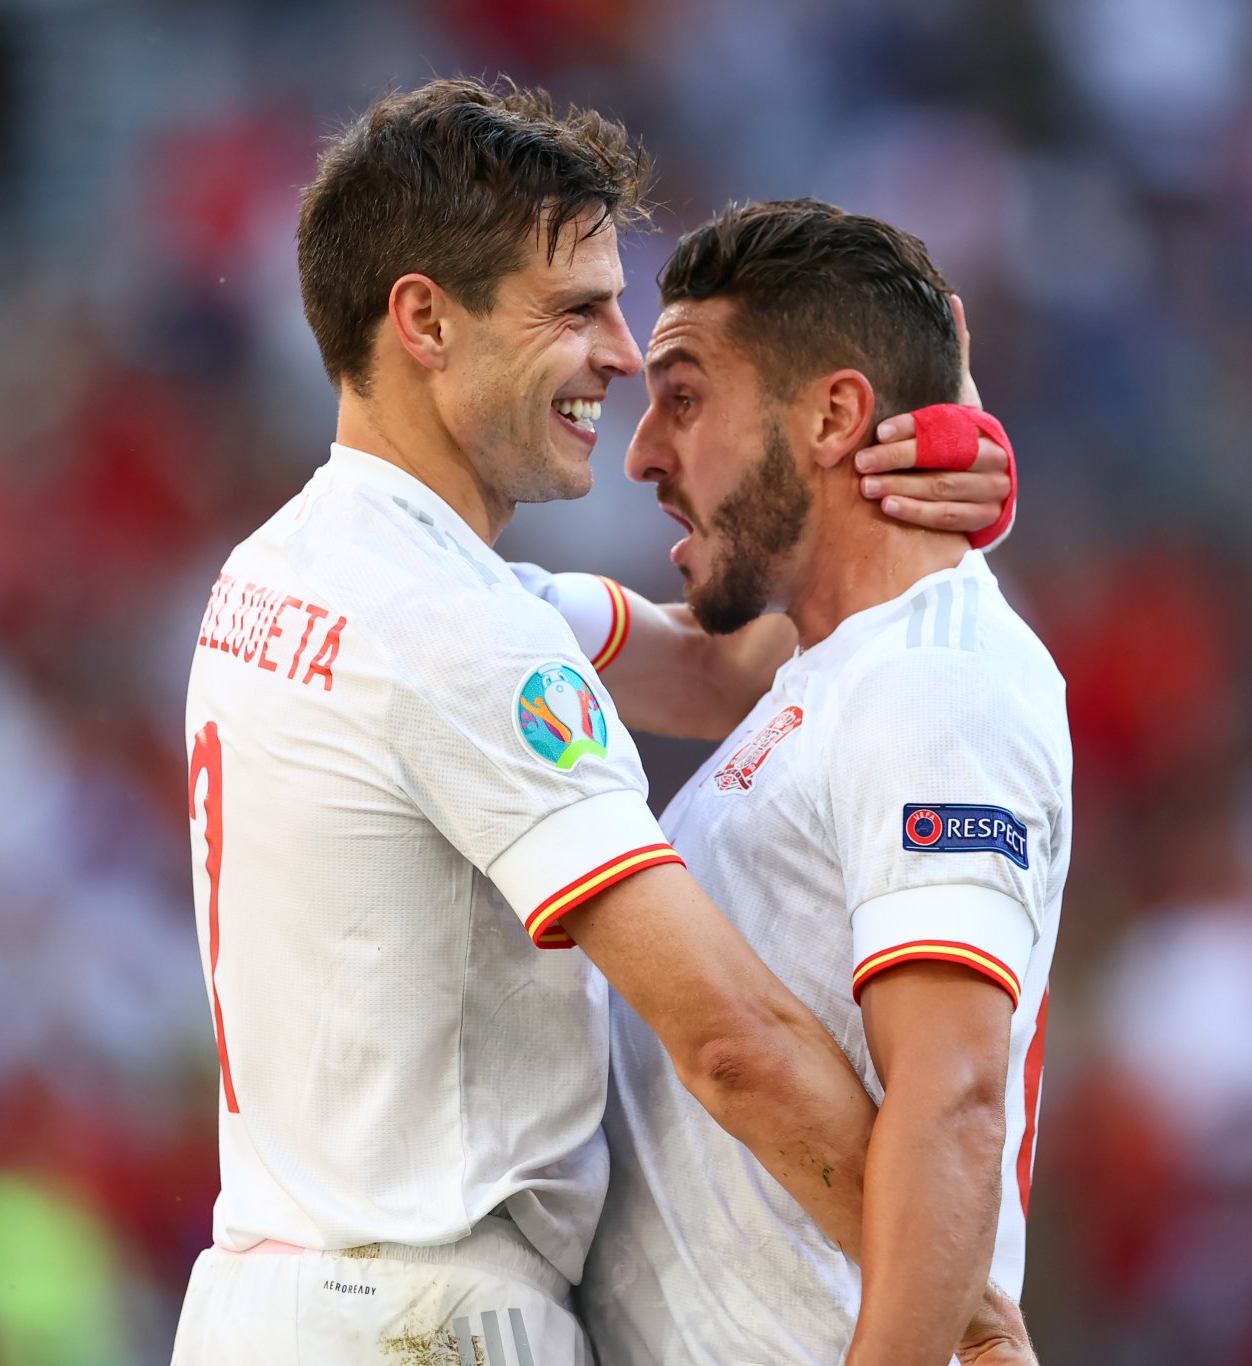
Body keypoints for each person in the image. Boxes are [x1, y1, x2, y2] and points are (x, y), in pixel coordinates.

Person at [168, 79, 1013, 1364]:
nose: (621, 355)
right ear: (423, 321)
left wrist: (898, 484)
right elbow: (729, 1039)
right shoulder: (456, 630)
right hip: (426, 1319)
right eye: (575, 310)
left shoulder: (296, 571)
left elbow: (722, 670)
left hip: (269, 1300)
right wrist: (957, 1312)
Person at [551, 199, 1073, 1366]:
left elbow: (953, 1102)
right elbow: (665, 656)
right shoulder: (829, 669)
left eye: (682, 397)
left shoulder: (934, 682)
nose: (641, 451)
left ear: (835, 413)